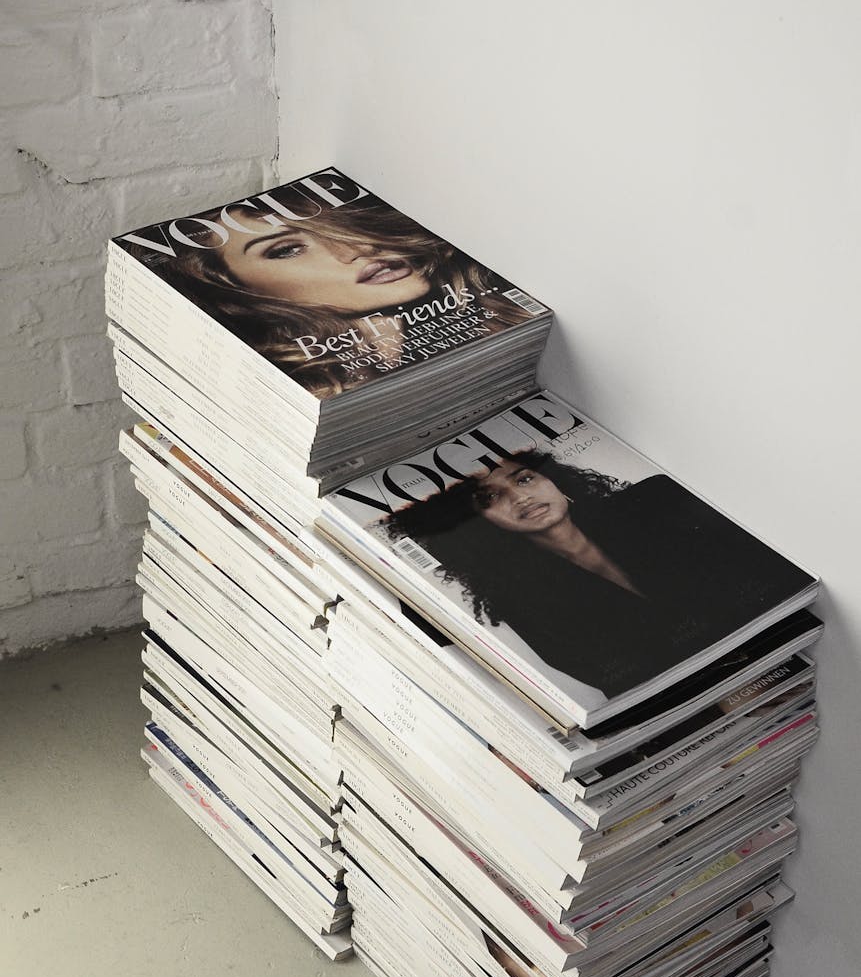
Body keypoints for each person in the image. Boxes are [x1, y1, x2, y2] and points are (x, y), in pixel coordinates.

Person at [383, 449, 813, 700]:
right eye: (490, 497)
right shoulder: (518, 600)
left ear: (554, 479)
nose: (521, 497)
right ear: (479, 525)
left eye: (526, 477)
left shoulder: (656, 505)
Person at [122, 197, 523, 398]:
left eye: (339, 226)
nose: (352, 250)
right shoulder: (290, 394)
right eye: (285, 250)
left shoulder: (498, 310)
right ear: (239, 295)